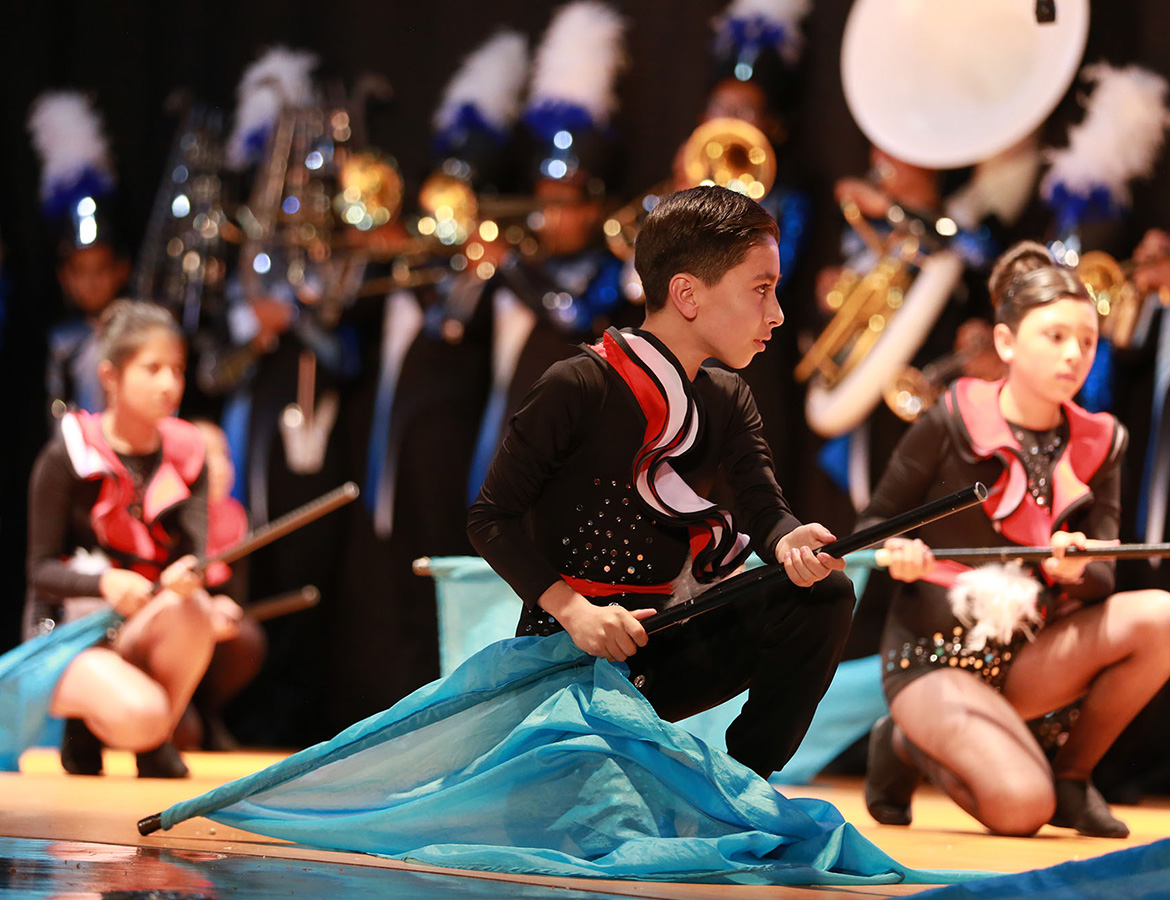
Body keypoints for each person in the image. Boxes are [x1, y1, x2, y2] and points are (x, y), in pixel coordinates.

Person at [468, 185, 855, 779]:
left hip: (671, 638)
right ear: (687, 294)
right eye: (761, 289)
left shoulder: (728, 396)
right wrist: (575, 611)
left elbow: (762, 507)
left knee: (823, 593)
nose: (776, 313)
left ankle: (745, 785)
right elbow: (489, 518)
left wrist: (789, 540)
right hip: (576, 651)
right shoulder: (577, 385)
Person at [860, 241, 1170, 838]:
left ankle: (1073, 778)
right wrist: (894, 552)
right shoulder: (948, 420)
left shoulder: (1101, 441)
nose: (1075, 354)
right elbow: (870, 527)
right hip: (933, 658)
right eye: (1055, 337)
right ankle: (906, 744)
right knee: (1021, 811)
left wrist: (1076, 567)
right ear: (1006, 343)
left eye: (1087, 340)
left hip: (1029, 654)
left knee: (1159, 616)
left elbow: (1107, 574)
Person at [24, 300, 240, 777]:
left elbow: (194, 556)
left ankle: (146, 734)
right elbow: (39, 569)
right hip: (69, 634)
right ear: (110, 375)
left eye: (178, 369)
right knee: (141, 715)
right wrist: (106, 585)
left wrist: (192, 578)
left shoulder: (188, 453)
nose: (170, 384)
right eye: (153, 368)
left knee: (195, 610)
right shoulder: (65, 457)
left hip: (140, 627)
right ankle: (107, 724)